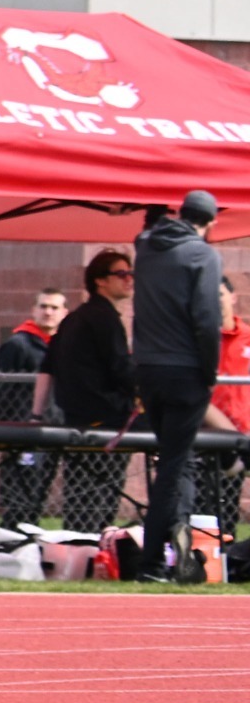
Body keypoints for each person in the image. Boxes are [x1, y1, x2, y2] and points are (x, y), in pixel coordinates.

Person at [131, 190, 224, 581]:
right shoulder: (203, 255)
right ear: (211, 221)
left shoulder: (146, 248)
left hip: (148, 369)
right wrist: (209, 371)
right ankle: (153, 561)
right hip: (185, 370)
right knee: (172, 466)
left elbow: (146, 233)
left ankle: (179, 532)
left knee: (176, 460)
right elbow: (207, 319)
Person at [34, 249, 136, 534]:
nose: (129, 279)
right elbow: (121, 368)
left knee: (82, 492)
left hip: (77, 421)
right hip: (107, 419)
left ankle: (81, 543)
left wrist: (36, 413)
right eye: (122, 274)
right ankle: (95, 542)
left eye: (131, 274)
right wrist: (150, 390)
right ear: (100, 281)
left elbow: (48, 366)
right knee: (101, 493)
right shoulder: (104, 318)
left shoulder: (74, 319)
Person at [0, 286, 65, 526]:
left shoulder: (63, 345)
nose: (48, 312)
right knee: (20, 495)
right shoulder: (17, 344)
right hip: (23, 431)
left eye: (54, 307)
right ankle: (11, 539)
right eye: (43, 306)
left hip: (54, 430)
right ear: (34, 310)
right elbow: (0, 391)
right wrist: (1, 432)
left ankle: (28, 538)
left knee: (39, 494)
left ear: (64, 312)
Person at [198, 276, 249, 530]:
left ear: (233, 297)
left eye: (219, 294)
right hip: (205, 436)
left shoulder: (247, 338)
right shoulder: (198, 341)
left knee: (227, 509)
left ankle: (227, 550)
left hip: (242, 438)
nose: (216, 301)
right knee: (199, 508)